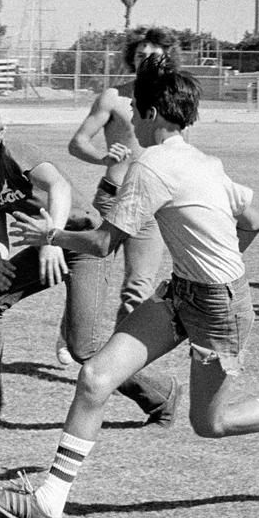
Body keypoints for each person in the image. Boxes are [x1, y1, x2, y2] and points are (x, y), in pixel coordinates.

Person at [0, 56, 259, 518]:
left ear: (153, 114)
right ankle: (50, 500)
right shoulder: (204, 160)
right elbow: (254, 221)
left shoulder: (152, 164)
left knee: (211, 423)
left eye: (135, 110)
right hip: (187, 292)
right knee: (96, 375)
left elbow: (102, 243)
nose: (130, 119)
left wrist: (49, 237)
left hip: (218, 308)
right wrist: (213, 266)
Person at [0, 97, 179, 427]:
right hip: (48, 245)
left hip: (83, 242)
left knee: (82, 348)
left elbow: (57, 184)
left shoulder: (14, 151)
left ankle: (162, 395)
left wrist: (52, 238)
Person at [59, 26, 180, 364]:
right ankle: (69, 331)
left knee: (138, 288)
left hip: (151, 206)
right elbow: (77, 142)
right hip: (112, 199)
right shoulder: (113, 97)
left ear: (166, 59)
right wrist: (102, 158)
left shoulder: (173, 100)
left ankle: (115, 360)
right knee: (89, 274)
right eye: (140, 55)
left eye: (153, 56)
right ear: (132, 59)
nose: (146, 61)